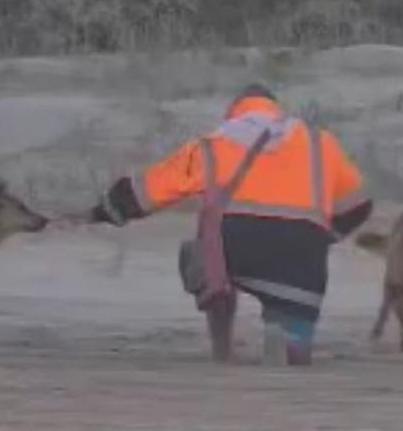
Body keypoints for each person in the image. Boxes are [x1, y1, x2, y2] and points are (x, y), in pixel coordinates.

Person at [81, 84, 373, 366]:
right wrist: (323, 238)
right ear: (276, 109)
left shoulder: (215, 143)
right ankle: (288, 343)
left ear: (234, 112)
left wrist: (102, 211)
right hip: (302, 256)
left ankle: (223, 349)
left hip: (237, 247)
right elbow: (359, 205)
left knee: (204, 245)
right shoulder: (318, 141)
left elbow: (149, 192)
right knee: (295, 325)